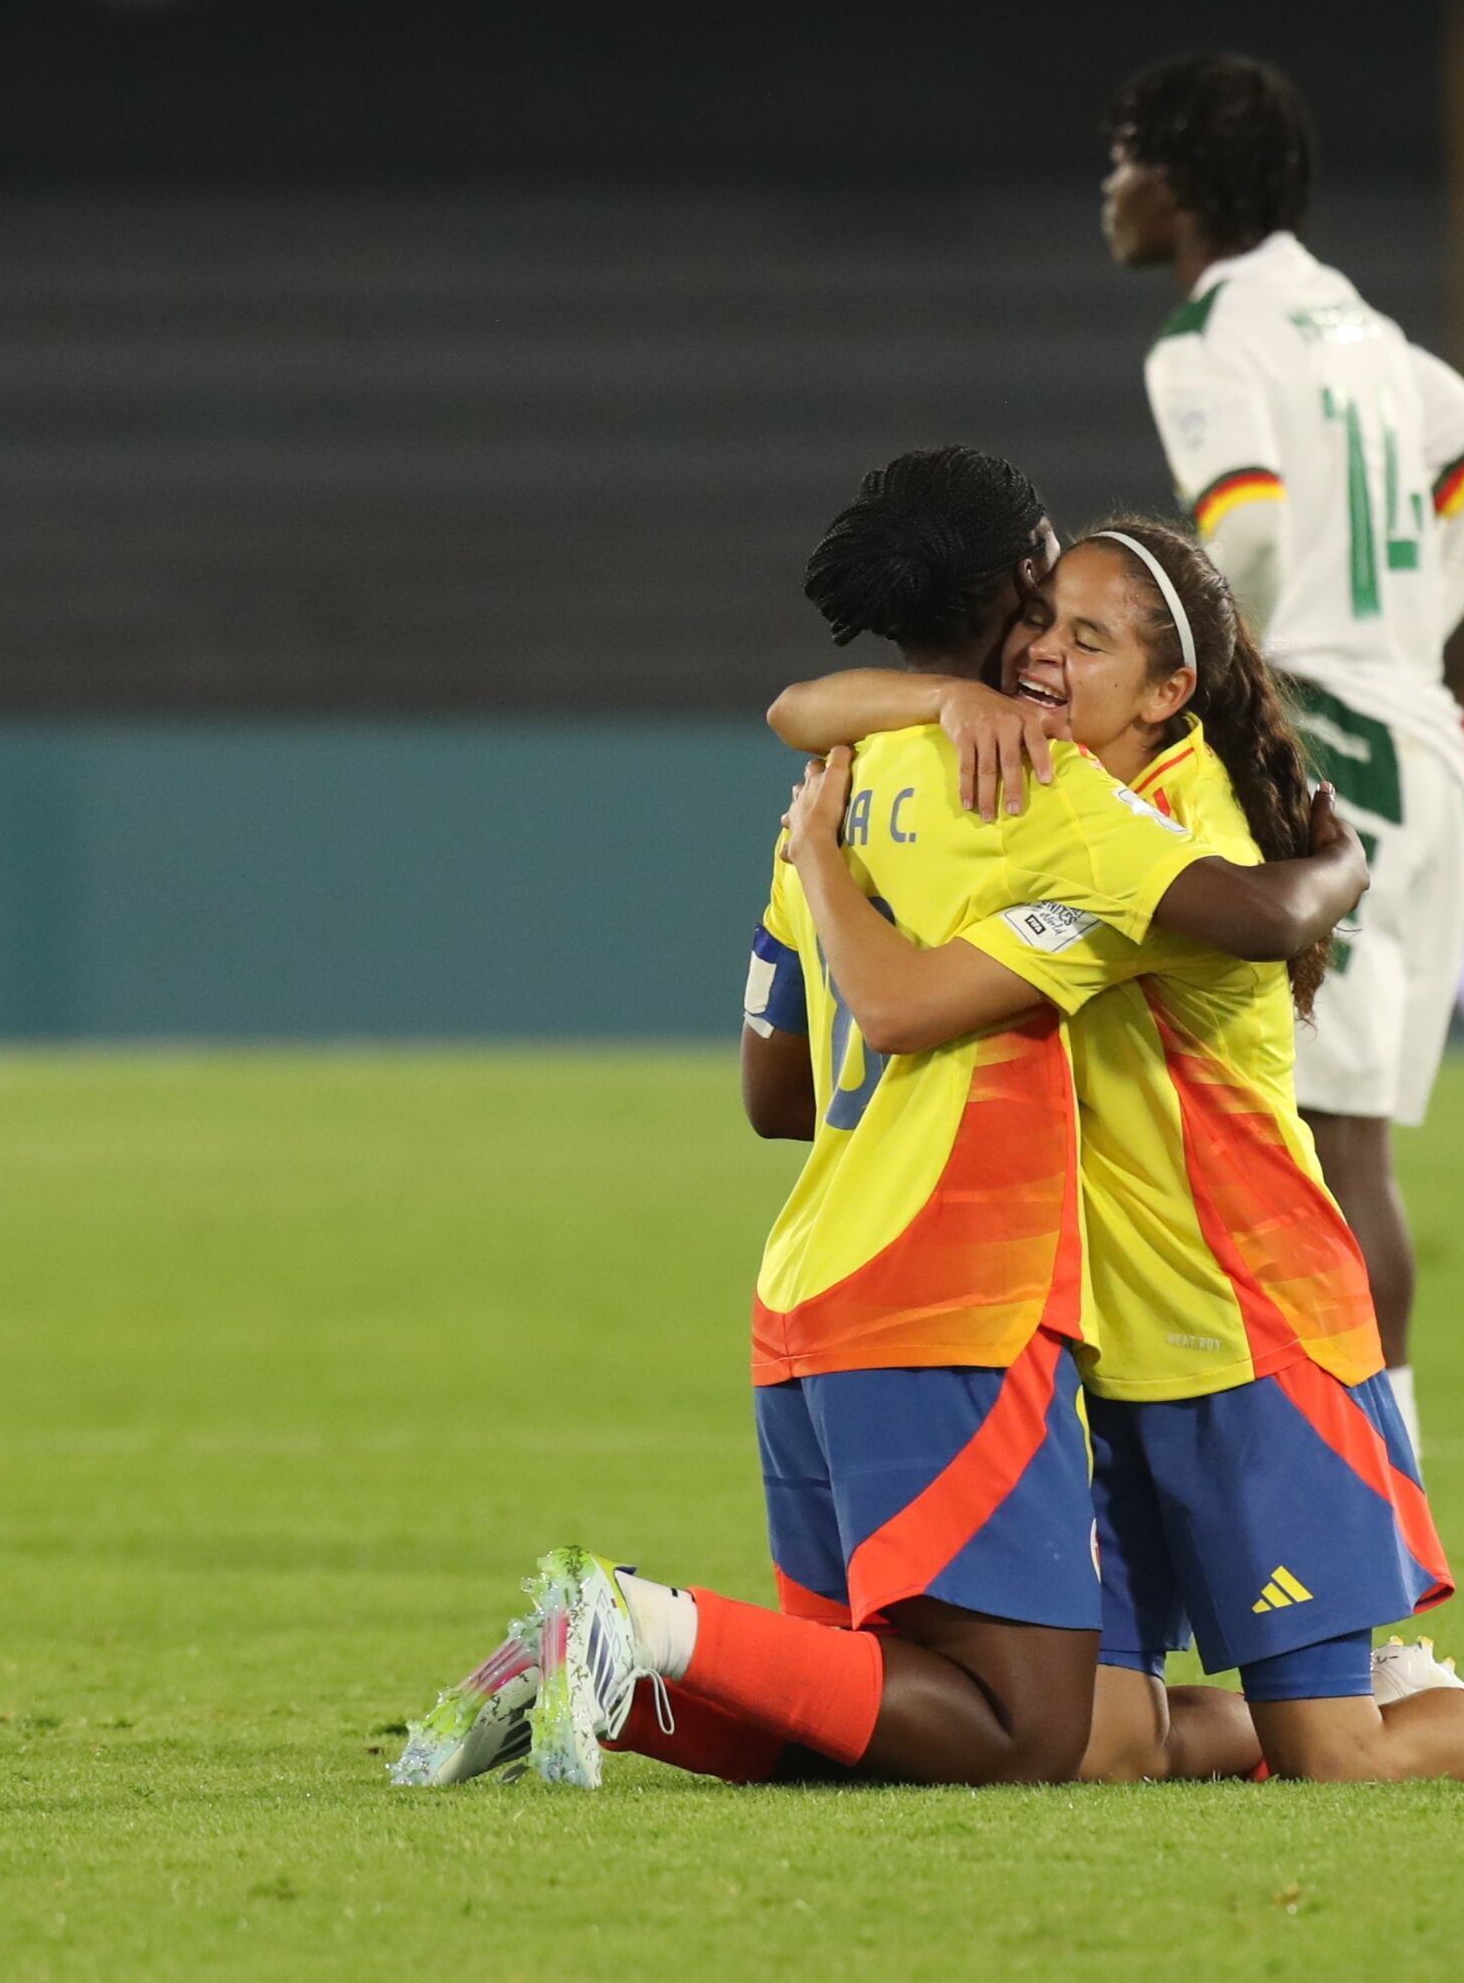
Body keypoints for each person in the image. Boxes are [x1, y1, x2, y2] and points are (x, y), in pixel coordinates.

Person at [769, 518, 1464, 1785]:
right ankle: (1377, 1686)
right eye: (1039, 627)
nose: (1040, 658)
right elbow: (802, 704)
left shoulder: (1170, 832)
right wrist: (943, 694)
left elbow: (1216, 919)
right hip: (1105, 1347)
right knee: (1097, 1744)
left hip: (1249, 1331)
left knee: (1342, 1759)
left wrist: (1339, 867)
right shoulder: (1054, 792)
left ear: (1170, 687)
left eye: (1085, 640)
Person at [389, 447, 1368, 1791]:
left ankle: (601, 1683)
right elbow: (1248, 921)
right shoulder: (1043, 789)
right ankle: (633, 1623)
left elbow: (772, 1094)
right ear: (1024, 578)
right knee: (1032, 1732)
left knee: (876, 1729)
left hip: (802, 1296)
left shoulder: (829, 785)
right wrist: (1342, 856)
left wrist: (832, 872)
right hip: (949, 1290)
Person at [1103, 52, 1464, 1456]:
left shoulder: (1206, 339)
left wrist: (1190, 687)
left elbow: (1242, 527)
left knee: (1301, 1151)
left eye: (1123, 155)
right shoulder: (1353, 324)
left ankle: (1358, 1559)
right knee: (1352, 1153)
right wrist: (1402, 625)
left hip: (1328, 757)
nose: (1108, 185)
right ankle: (1368, 1542)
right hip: (1418, 732)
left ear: (1174, 182)